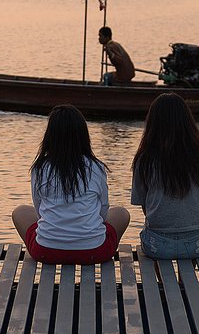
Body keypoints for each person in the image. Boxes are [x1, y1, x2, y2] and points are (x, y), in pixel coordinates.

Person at [12, 105, 131, 264]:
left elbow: (39, 209)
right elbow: (103, 210)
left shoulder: (40, 168)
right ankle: (87, 240)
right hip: (95, 252)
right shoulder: (96, 167)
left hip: (46, 252)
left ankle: (54, 241)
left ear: (50, 136)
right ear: (83, 135)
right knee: (121, 213)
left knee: (20, 212)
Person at [130, 93, 199, 259]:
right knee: (196, 237)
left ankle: (162, 283)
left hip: (158, 245)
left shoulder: (145, 158)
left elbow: (143, 203)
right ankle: (184, 282)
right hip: (197, 244)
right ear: (187, 121)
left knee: (151, 235)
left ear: (152, 123)